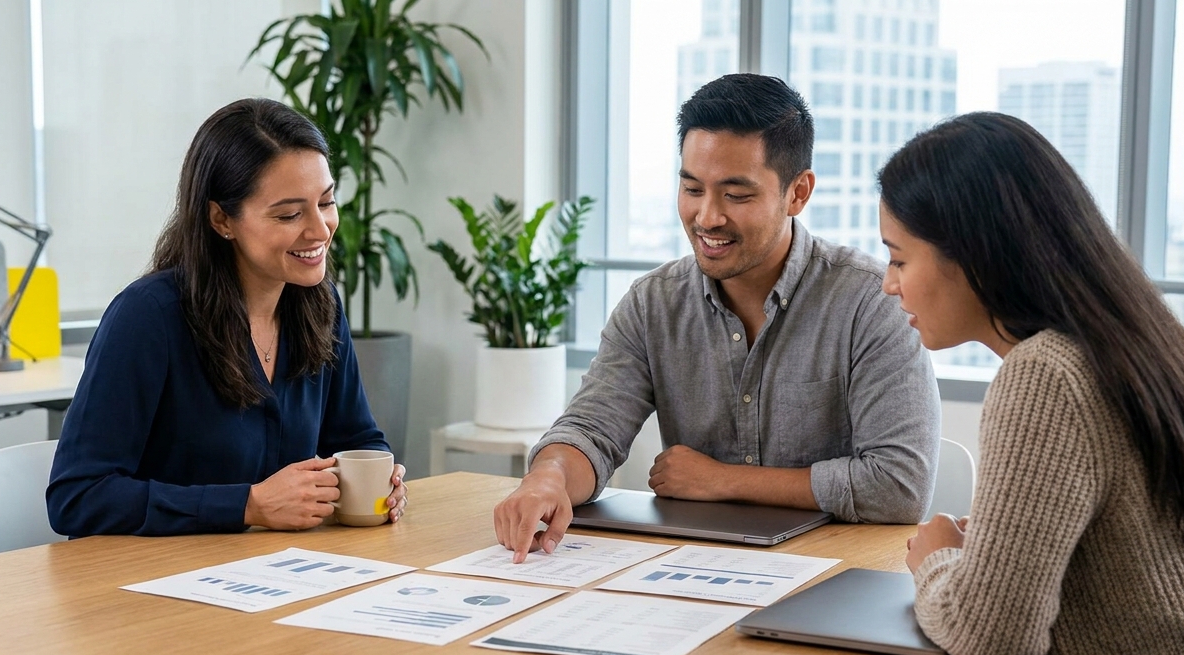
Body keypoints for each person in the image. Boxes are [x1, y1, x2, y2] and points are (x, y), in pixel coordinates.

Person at [882, 113, 1184, 655]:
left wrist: (934, 560)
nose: (890, 284)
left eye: (899, 257)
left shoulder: (1044, 375)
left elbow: (995, 640)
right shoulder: (1146, 338)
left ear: (970, 254)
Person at [494, 73, 940, 562]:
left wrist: (723, 480)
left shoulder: (870, 302)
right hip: (694, 570)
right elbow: (592, 430)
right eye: (691, 188)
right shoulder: (652, 304)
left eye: (737, 195)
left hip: (835, 574)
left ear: (798, 193)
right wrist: (549, 477)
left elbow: (899, 485)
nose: (707, 217)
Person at [48, 98, 406, 536]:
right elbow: (77, 497)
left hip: (273, 575)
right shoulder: (148, 317)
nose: (320, 229)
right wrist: (248, 505)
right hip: (154, 585)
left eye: (326, 202)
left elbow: (356, 442)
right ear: (222, 219)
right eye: (290, 214)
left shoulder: (319, 306)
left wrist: (382, 484)